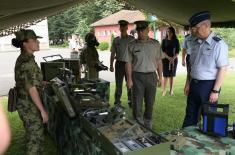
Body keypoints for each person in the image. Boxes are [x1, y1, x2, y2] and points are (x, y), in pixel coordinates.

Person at [182, 11, 229, 128]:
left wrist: (215, 91)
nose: (193, 30)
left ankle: (209, 145)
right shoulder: (194, 43)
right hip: (194, 84)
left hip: (208, 87)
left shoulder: (218, 44)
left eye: (196, 28)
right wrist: (188, 83)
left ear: (206, 26)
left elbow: (222, 68)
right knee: (190, 117)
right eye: (192, 28)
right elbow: (191, 66)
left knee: (210, 121)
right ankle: (187, 142)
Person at [12, 29, 49, 154]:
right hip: (28, 104)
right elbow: (31, 89)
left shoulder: (26, 58)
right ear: (25, 44)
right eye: (33, 40)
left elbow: (28, 81)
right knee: (35, 138)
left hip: (26, 103)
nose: (37, 42)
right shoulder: (27, 62)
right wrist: (42, 110)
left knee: (34, 135)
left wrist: (42, 82)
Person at [124, 20, 163, 129]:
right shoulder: (131, 45)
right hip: (137, 76)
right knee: (137, 102)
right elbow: (128, 63)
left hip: (151, 76)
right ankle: (137, 125)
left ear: (148, 30)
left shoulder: (155, 44)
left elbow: (159, 61)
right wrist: (129, 79)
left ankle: (148, 124)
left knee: (150, 102)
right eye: (139, 31)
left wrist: (161, 77)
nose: (140, 33)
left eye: (143, 30)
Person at [110, 20, 135, 107]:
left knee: (130, 82)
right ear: (119, 28)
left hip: (130, 64)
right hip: (119, 64)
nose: (123, 28)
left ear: (127, 28)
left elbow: (135, 53)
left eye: (124, 26)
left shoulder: (132, 39)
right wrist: (111, 65)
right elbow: (113, 53)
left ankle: (131, 101)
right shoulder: (116, 40)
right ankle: (117, 102)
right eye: (121, 26)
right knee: (118, 84)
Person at [161, 27, 180, 96]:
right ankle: (164, 90)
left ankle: (171, 90)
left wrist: (173, 59)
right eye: (167, 31)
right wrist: (169, 58)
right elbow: (162, 51)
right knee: (165, 75)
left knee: (172, 75)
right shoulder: (164, 40)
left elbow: (178, 51)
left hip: (174, 60)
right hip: (165, 59)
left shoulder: (176, 41)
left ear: (173, 33)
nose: (168, 33)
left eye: (170, 32)